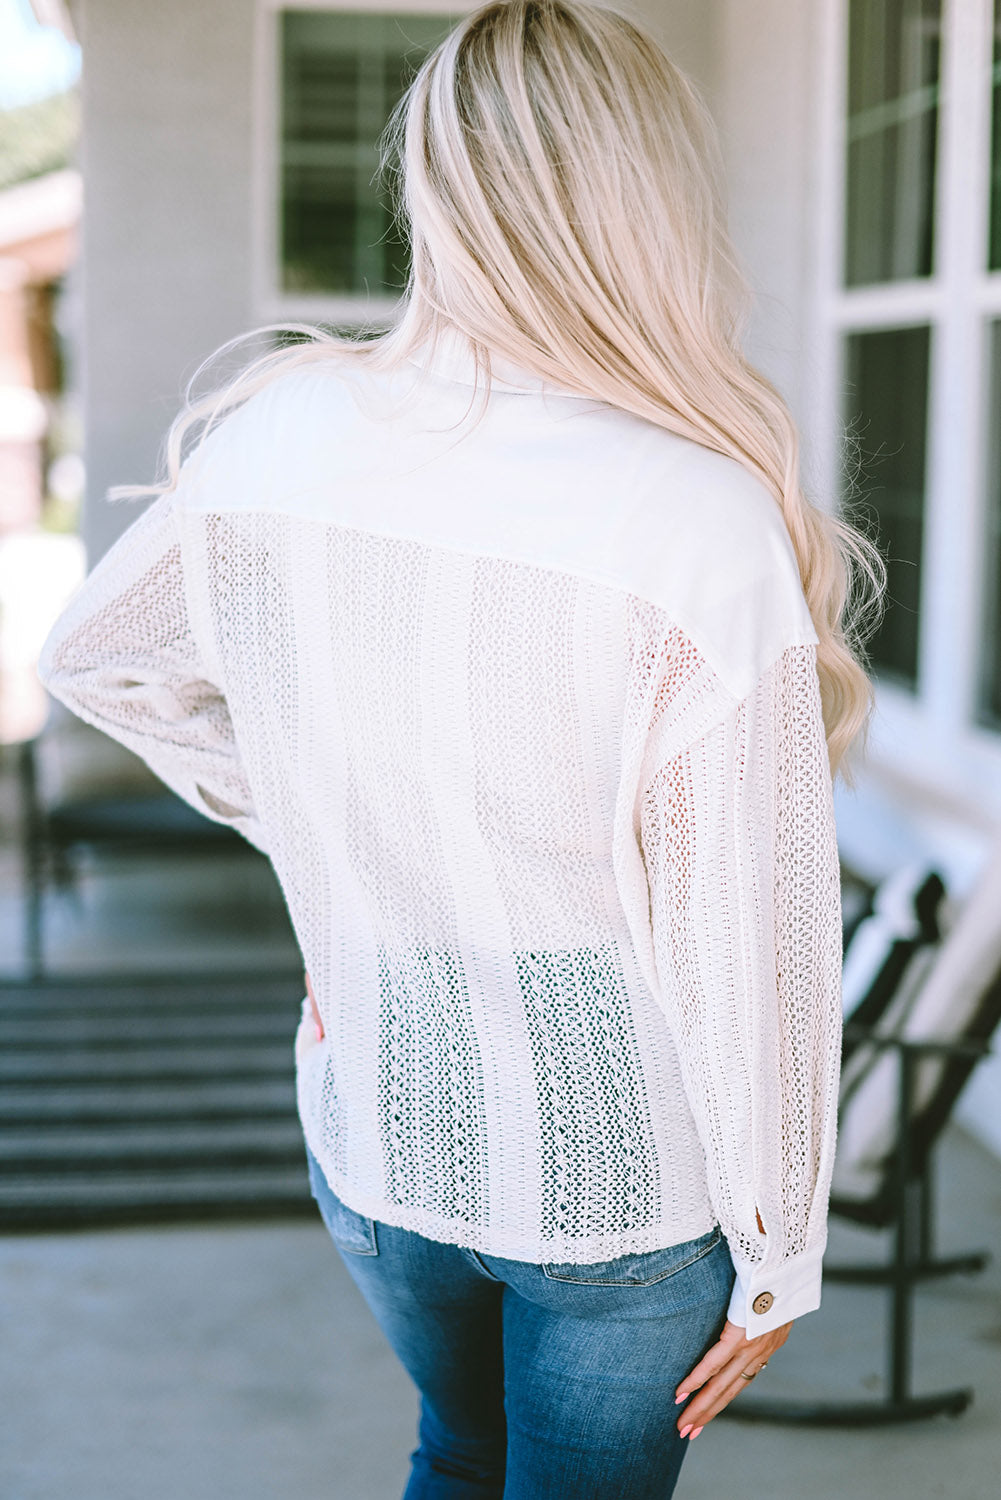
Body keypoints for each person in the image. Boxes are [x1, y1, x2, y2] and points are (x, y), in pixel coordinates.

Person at [36, 1, 885, 1495]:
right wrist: (781, 1248)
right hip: (626, 1192)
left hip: (376, 1119)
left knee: (454, 1449)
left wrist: (323, 857)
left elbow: (101, 663)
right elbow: (747, 941)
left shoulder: (279, 432)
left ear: (435, 184)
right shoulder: (691, 514)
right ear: (645, 200)